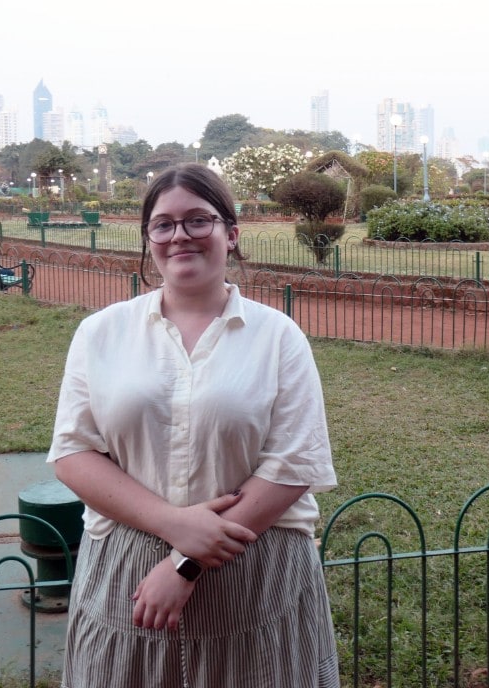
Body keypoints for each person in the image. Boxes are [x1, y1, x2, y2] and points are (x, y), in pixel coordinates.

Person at [48, 163, 339, 687]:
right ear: (149, 240)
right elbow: (73, 453)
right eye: (163, 224)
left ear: (231, 234)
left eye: (197, 220)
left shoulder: (277, 337)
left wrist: (186, 563)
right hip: (128, 567)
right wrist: (173, 524)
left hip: (253, 566)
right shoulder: (101, 334)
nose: (179, 235)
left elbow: (295, 464)